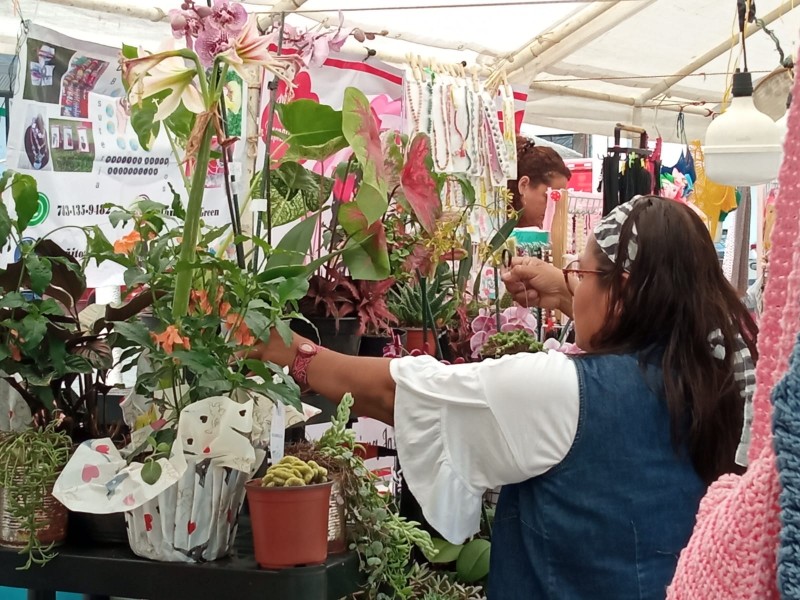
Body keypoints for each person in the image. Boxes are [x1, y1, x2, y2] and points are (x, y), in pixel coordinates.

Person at [250, 195, 757, 599]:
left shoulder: (562, 390)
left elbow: (396, 392)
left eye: (581, 274)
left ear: (623, 292)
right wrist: (564, 289)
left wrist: (294, 353)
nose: (573, 286)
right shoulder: (710, 372)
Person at [508, 136, 572, 229]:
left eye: (558, 202)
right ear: (524, 185)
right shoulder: (495, 229)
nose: (554, 208)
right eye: (549, 198)